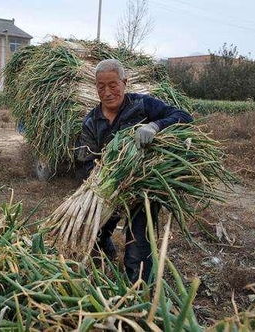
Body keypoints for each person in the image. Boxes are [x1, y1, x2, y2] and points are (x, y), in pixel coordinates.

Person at [76, 59, 193, 283]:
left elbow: (184, 117)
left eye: (113, 85)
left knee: (138, 247)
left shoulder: (142, 105)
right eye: (101, 86)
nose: (107, 92)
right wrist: (105, 182)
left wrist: (154, 126)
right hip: (107, 188)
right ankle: (106, 247)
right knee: (93, 234)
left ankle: (137, 291)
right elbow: (86, 161)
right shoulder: (91, 121)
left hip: (142, 188)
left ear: (125, 83)